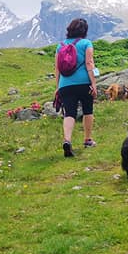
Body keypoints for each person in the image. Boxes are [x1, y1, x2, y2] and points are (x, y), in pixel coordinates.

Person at [56, 18, 97, 157]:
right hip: (84, 82)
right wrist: (94, 83)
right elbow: (89, 63)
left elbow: (57, 68)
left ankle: (67, 140)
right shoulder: (86, 43)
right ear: (84, 31)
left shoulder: (60, 46)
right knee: (87, 110)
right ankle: (87, 140)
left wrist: (57, 87)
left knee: (69, 113)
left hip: (65, 85)